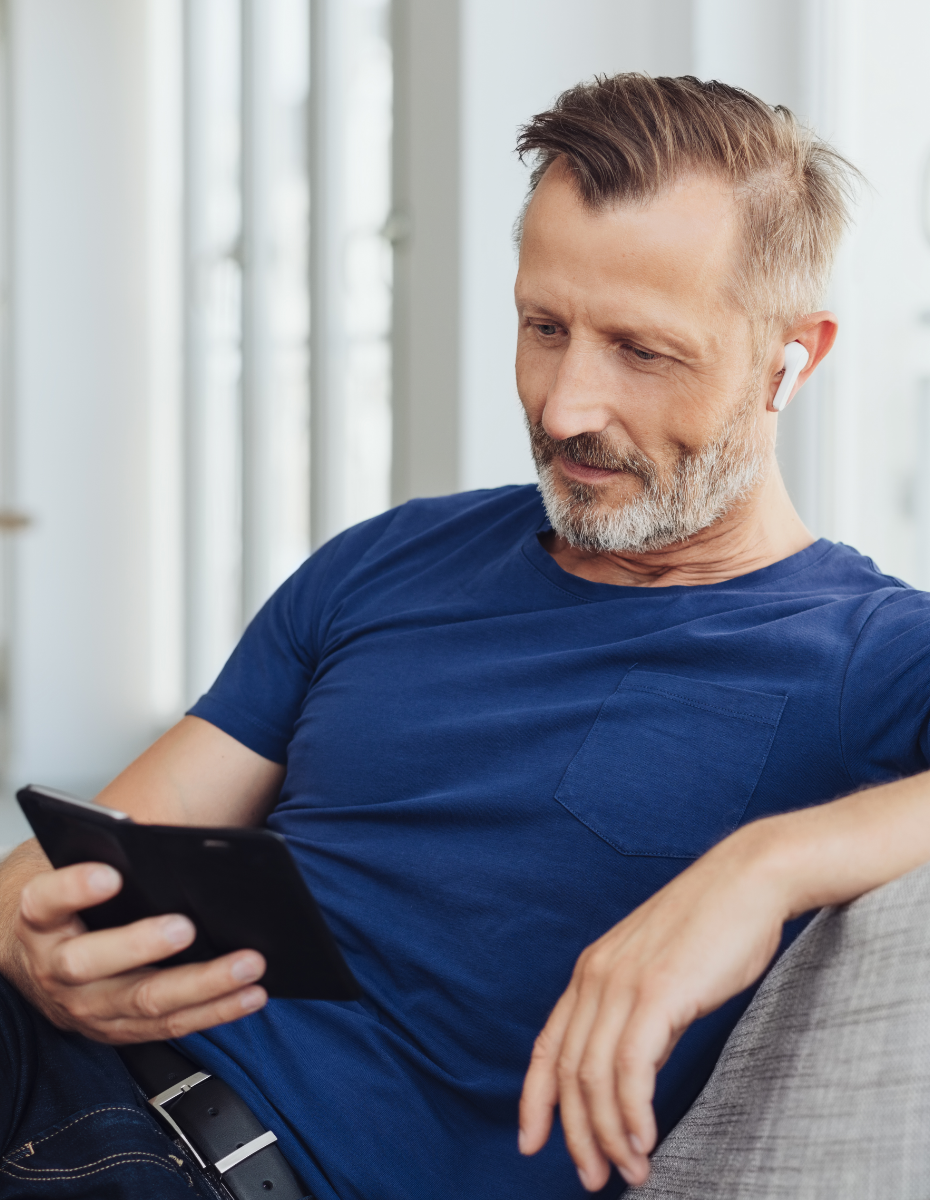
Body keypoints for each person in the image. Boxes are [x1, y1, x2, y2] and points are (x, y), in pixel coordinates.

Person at [2, 72, 929, 1199]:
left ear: (793, 357)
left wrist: (759, 869)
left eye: (642, 351)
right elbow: (83, 849)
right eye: (545, 328)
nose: (564, 407)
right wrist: (25, 935)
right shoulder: (389, 559)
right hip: (45, 1066)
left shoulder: (868, 652)